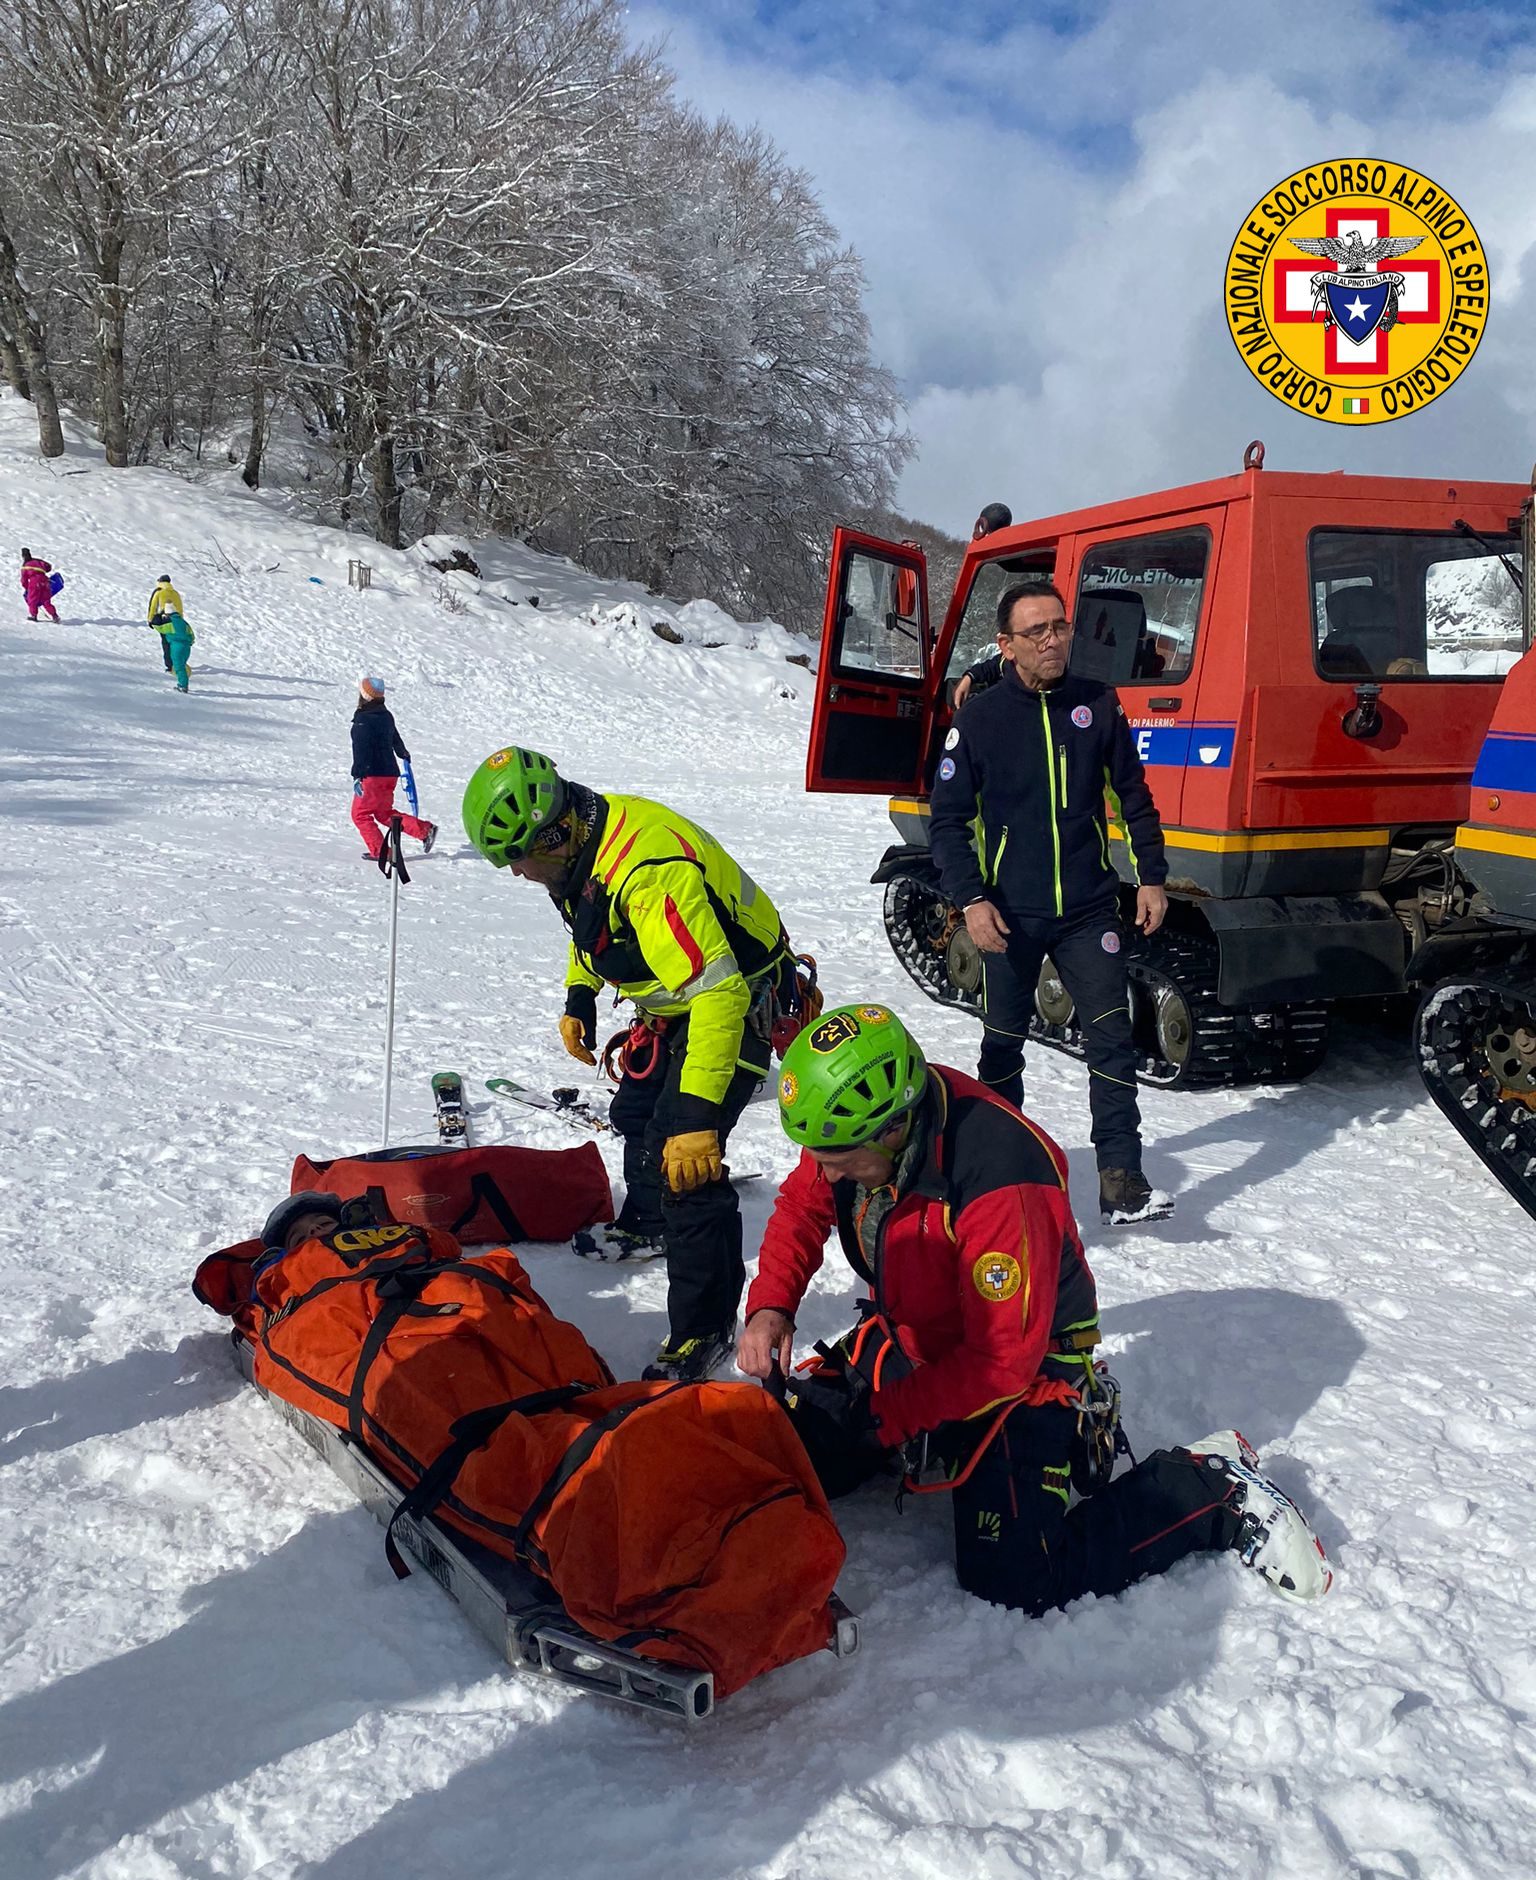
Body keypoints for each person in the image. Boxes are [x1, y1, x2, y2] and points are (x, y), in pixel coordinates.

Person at [738, 1004, 1332, 1614]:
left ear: (893, 1128)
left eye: (836, 1157)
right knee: (779, 1455)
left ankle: (1207, 1486)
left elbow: (1000, 1361)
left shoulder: (1000, 1176)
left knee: (1017, 1579)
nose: (824, 1169)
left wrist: (892, 1417)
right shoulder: (861, 1125)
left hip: (1025, 1370)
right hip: (916, 1340)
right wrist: (771, 1305)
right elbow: (801, 1206)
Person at [462, 745, 795, 1381]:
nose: (516, 873)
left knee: (685, 1156)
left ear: (556, 836)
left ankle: (704, 1328)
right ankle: (648, 1225)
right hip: (678, 998)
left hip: (735, 1003)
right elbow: (591, 925)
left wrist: (698, 1115)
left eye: (519, 858)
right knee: (635, 1109)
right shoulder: (578, 849)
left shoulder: (647, 871)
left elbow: (719, 991)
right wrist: (579, 995)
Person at [929, 579, 1172, 1225]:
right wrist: (972, 901)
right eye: (1036, 631)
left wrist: (1151, 874)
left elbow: (1133, 792)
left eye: (1059, 626)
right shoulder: (980, 720)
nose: (1053, 640)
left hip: (1089, 909)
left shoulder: (1098, 703)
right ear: (1006, 645)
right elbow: (947, 822)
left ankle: (1122, 1178)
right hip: (1009, 913)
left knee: (1112, 1042)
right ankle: (1003, 1174)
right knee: (1003, 1046)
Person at [351, 675, 437, 859]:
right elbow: (394, 737)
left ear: (364, 696)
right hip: (390, 773)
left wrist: (357, 775)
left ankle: (382, 853)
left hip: (371, 774)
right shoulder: (385, 715)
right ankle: (425, 831)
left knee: (360, 815)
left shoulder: (362, 720)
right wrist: (403, 753)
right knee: (384, 813)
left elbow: (360, 749)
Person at [147, 574, 182, 673]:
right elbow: (180, 608)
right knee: (175, 642)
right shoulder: (175, 593)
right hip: (176, 620)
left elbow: (153, 606)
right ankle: (178, 663)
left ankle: (170, 666)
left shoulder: (158, 592)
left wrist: (150, 619)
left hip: (164, 619)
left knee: (166, 643)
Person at [156, 609, 196, 692]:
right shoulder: (184, 623)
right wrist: (190, 642)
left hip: (176, 647)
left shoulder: (170, 623)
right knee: (182, 665)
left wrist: (157, 617)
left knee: (179, 666)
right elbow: (191, 634)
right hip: (187, 647)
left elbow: (159, 627)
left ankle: (183, 686)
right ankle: (183, 683)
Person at [20, 549, 59, 624]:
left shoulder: (25, 565)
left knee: (32, 600)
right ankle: (55, 616)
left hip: (34, 582)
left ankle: (34, 616)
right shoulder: (39, 562)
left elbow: (24, 580)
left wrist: (26, 588)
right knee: (46, 601)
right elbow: (49, 567)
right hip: (45, 581)